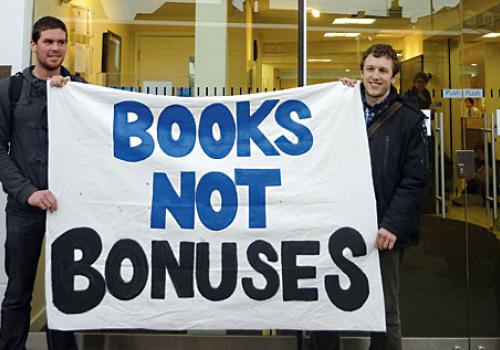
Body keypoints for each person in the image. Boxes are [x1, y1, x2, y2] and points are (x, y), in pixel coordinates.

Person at [312, 44, 427, 350]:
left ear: (394, 76)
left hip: (384, 230)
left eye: (383, 71)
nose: (376, 76)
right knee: (328, 304)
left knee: (385, 311)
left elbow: (414, 179)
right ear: (361, 72)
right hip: (338, 224)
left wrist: (392, 225)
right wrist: (334, 95)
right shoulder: (341, 105)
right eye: (371, 69)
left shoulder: (410, 120)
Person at [0, 16, 84, 350]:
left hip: (69, 209)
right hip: (24, 209)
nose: (55, 48)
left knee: (63, 290)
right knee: (18, 291)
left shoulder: (78, 87)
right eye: (48, 42)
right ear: (33, 45)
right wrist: (28, 193)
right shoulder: (11, 89)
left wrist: (69, 92)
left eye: (61, 42)